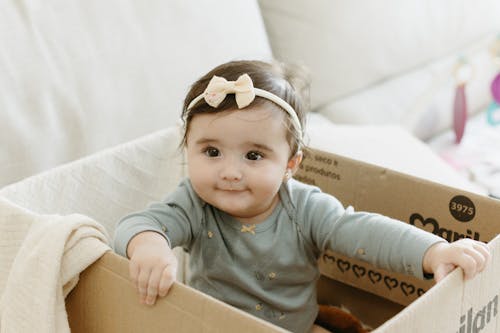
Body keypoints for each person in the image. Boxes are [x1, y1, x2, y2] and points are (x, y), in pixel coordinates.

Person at [113, 60, 490, 333]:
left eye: (254, 156)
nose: (229, 171)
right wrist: (149, 245)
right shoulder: (194, 204)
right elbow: (140, 222)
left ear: (290, 164)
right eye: (211, 152)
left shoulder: (305, 209)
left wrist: (433, 252)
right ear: (188, 150)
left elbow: (365, 233)